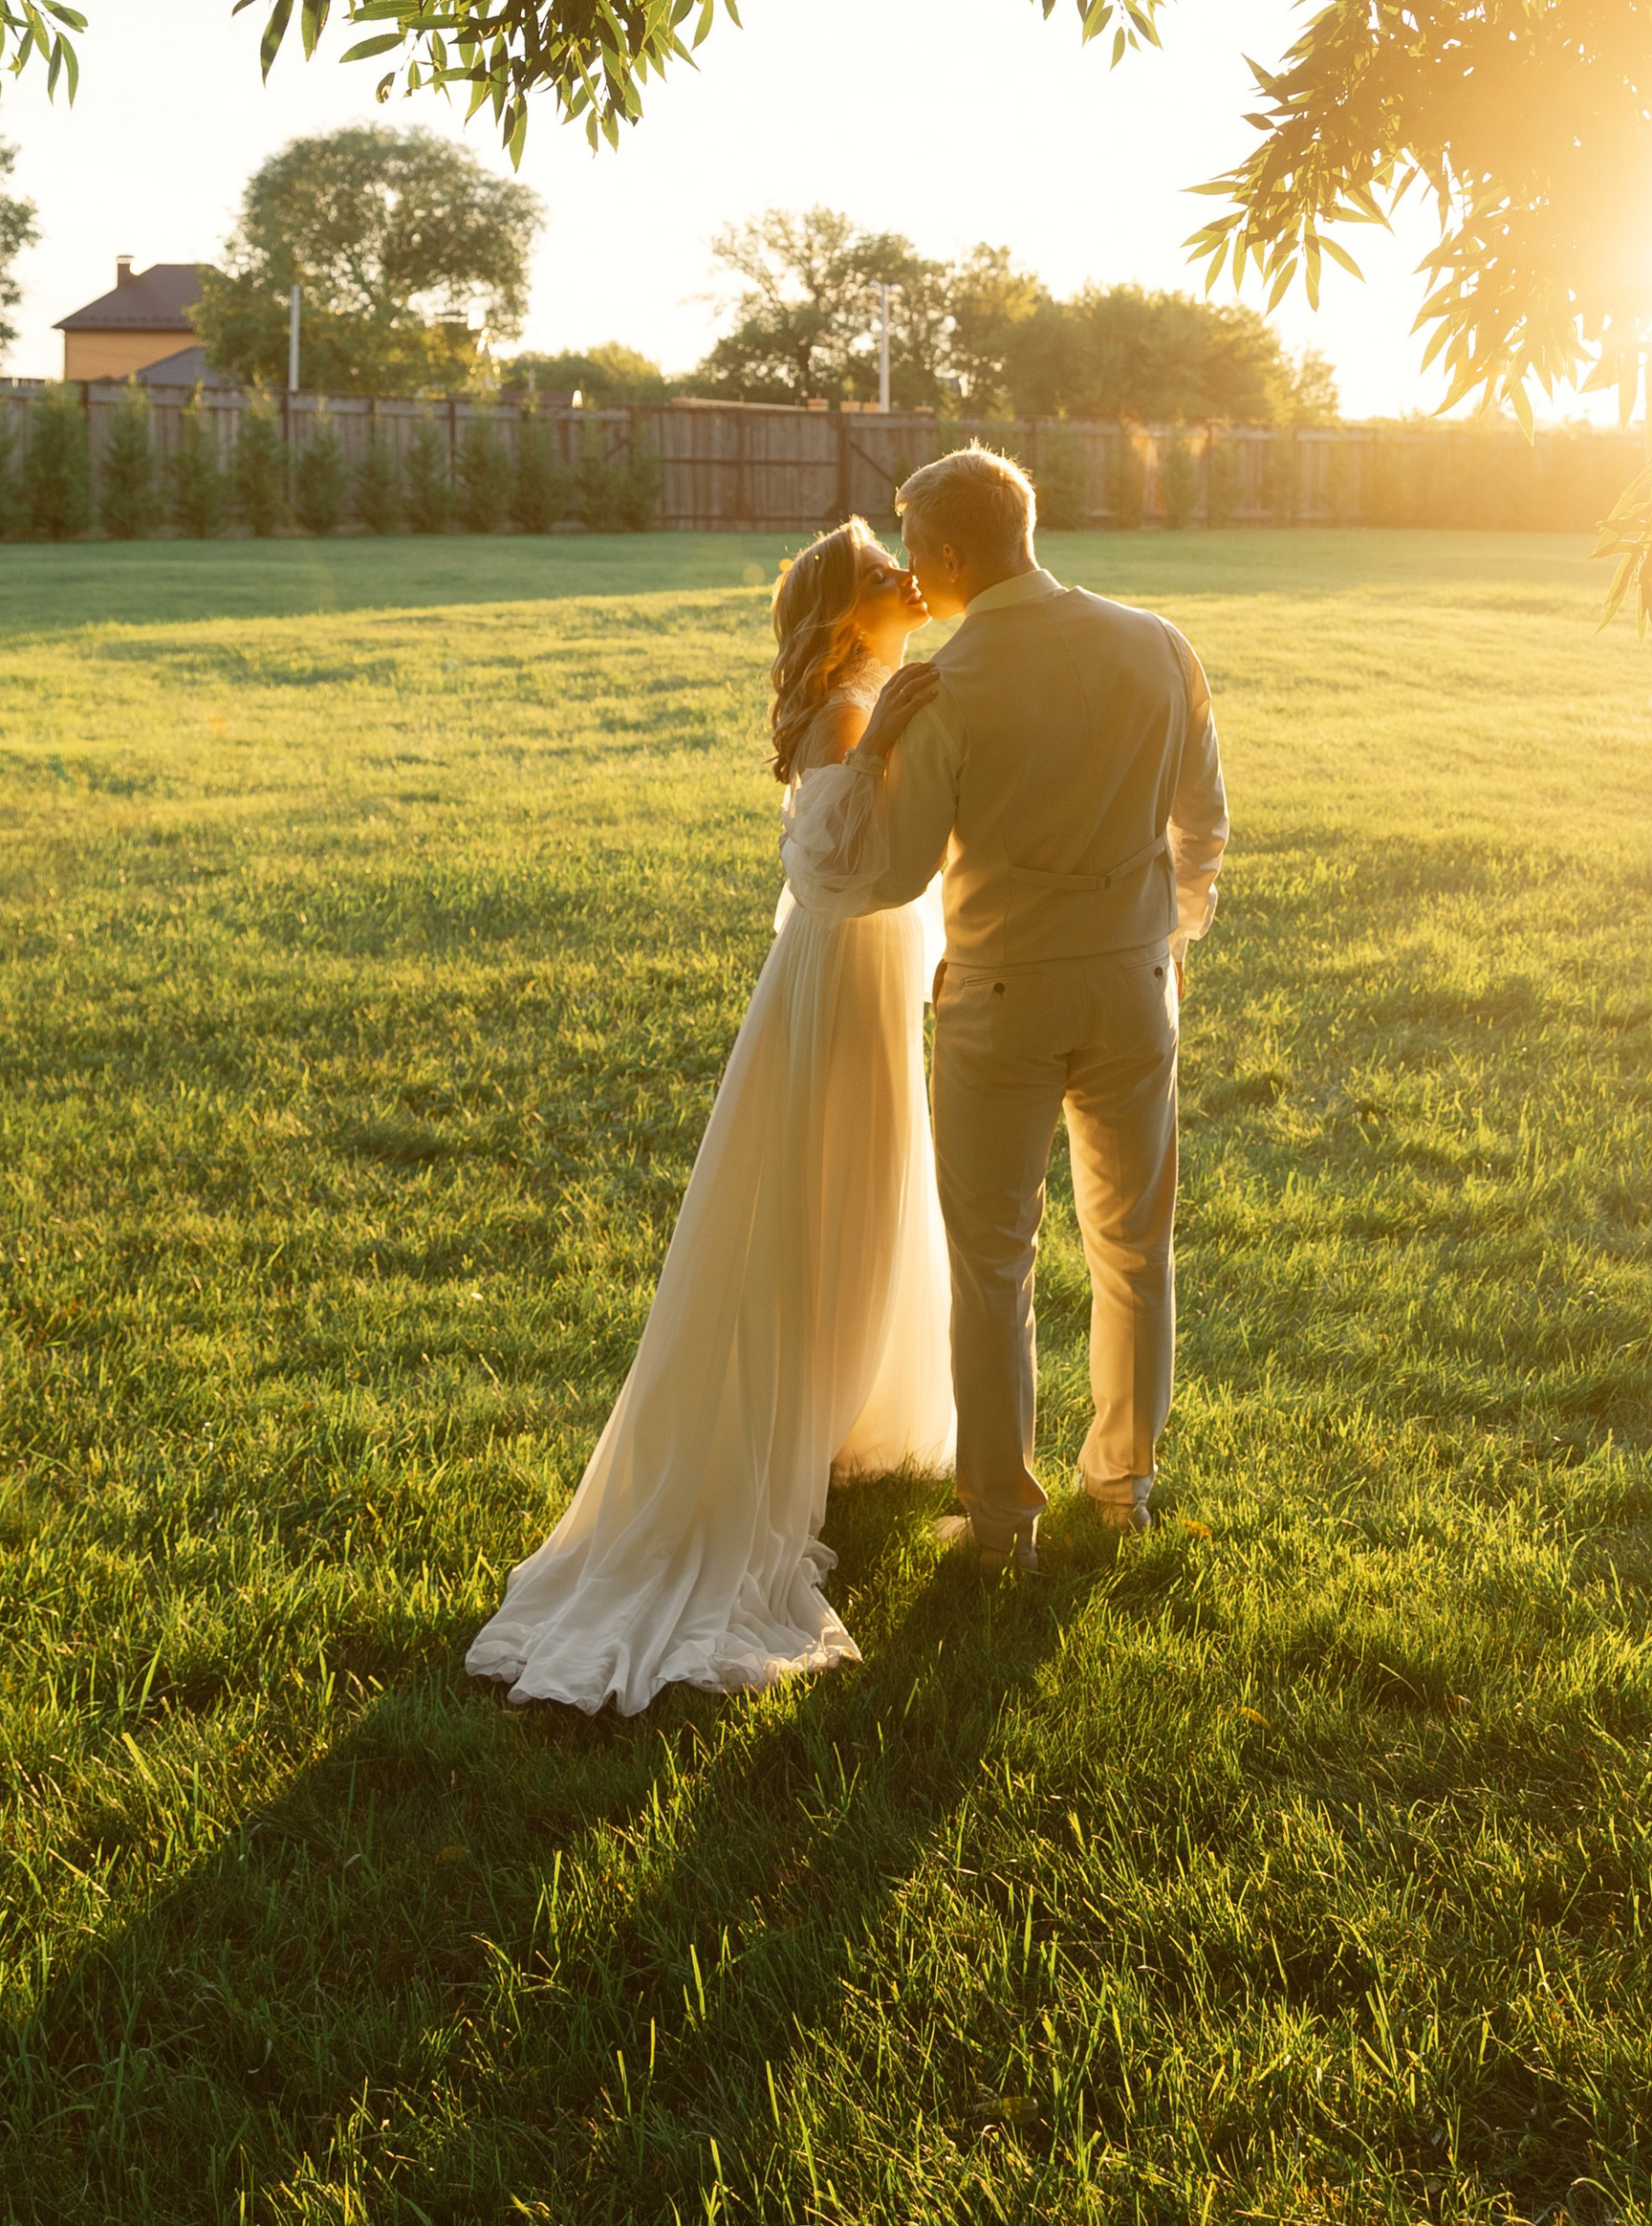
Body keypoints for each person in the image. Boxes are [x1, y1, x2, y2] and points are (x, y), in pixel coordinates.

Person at [467, 517, 955, 1716]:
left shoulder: (863, 689)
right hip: (840, 972)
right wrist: (891, 733)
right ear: (850, 614)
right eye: (885, 570)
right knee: (828, 1176)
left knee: (861, 1174)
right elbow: (828, 870)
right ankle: (779, 1441)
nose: (910, 574)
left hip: (868, 971)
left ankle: (849, 1412)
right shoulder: (850, 706)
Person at [781, 446, 1228, 1575]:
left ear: (946, 553)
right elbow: (1203, 821)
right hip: (1133, 985)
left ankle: (999, 1526)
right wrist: (1164, 935)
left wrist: (856, 778)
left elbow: (889, 878)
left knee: (993, 1261)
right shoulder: (1158, 643)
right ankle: (1122, 1485)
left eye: (915, 547)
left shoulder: (947, 683)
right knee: (1135, 1247)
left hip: (998, 997)